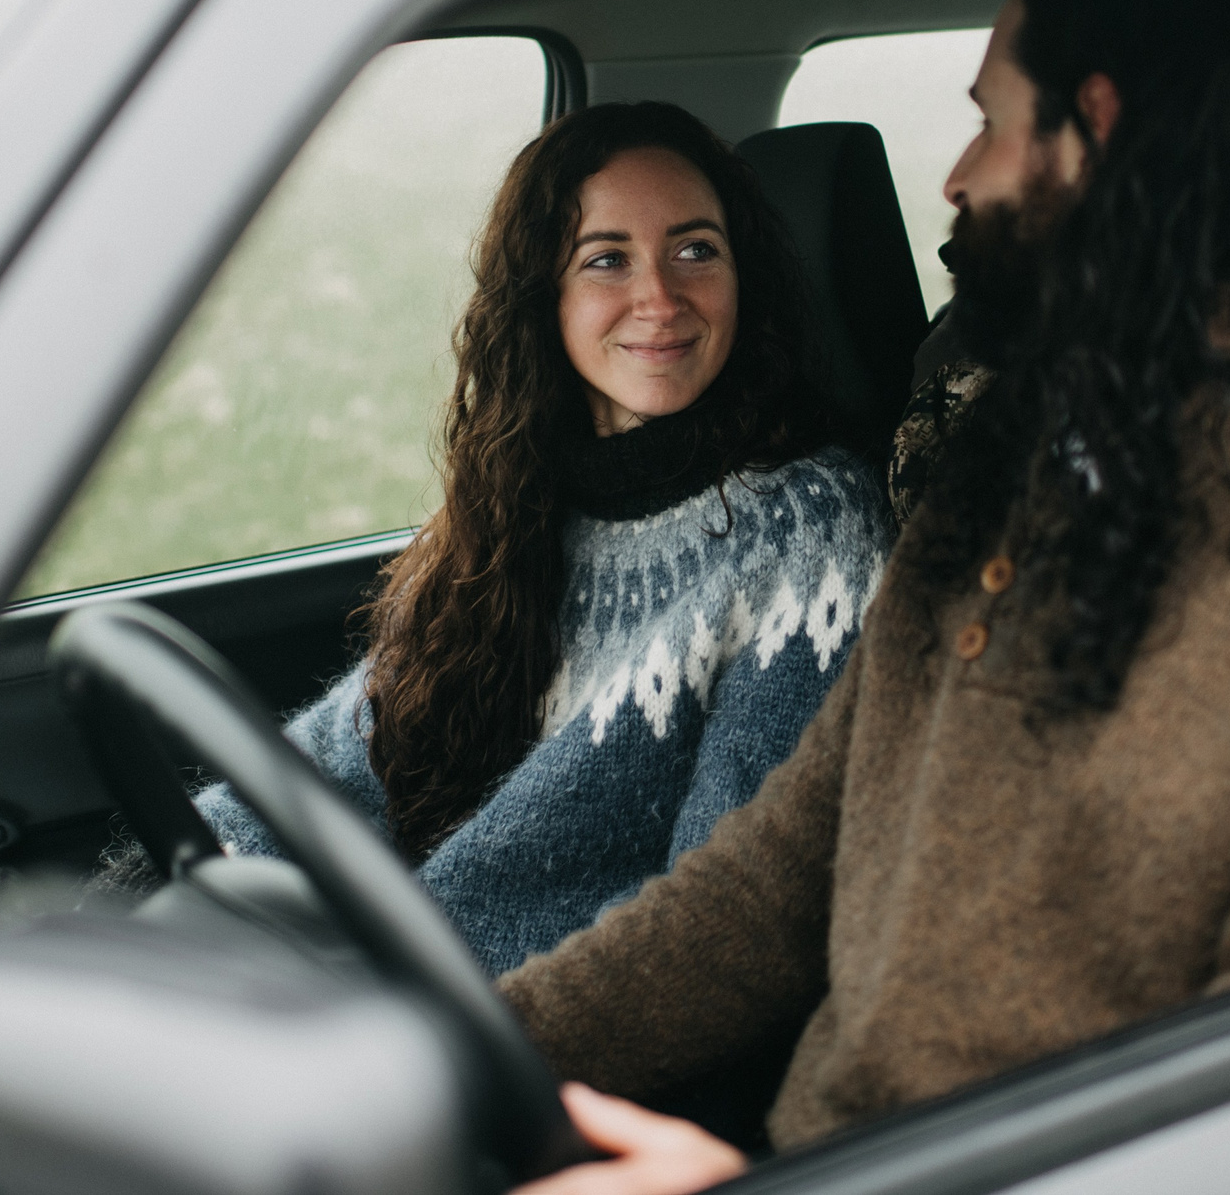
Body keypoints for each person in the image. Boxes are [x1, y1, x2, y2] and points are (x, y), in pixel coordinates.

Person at [497, 0, 1230, 1192]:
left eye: (990, 125)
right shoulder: (1006, 478)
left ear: (1094, 134)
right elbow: (775, 880)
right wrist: (473, 1053)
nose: (956, 176)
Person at [194, 101, 893, 975]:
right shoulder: (507, 508)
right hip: (375, 996)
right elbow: (330, 767)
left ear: (743, 275)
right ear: (544, 297)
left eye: (696, 250)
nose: (660, 298)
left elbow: (720, 920)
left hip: (520, 1045)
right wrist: (164, 893)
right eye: (607, 260)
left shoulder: (810, 531)